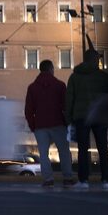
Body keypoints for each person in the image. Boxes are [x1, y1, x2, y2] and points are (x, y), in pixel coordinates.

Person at [66, 49, 108, 190]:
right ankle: (106, 180)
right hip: (99, 116)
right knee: (103, 149)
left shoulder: (75, 76)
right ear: (95, 60)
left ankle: (83, 180)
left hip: (81, 116)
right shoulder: (104, 77)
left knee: (83, 149)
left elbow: (69, 99)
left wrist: (69, 118)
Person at [24, 60, 75, 188]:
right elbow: (66, 106)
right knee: (63, 151)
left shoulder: (32, 87)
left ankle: (48, 179)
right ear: (51, 69)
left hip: (40, 126)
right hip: (58, 123)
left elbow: (29, 110)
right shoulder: (60, 85)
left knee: (43, 153)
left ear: (40, 70)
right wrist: (68, 122)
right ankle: (67, 177)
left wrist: (33, 125)